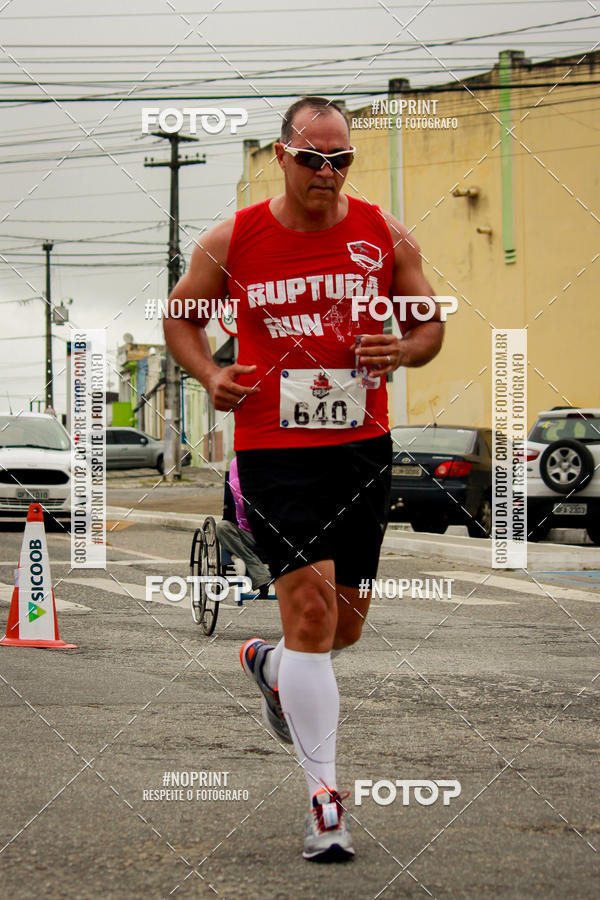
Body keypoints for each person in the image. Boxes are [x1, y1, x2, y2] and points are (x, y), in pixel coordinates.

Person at [163, 95, 443, 862]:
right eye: (313, 158)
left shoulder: (383, 233)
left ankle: (271, 664)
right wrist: (207, 371)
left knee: (342, 626)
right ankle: (325, 802)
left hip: (362, 448)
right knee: (313, 615)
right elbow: (182, 316)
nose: (327, 172)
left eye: (341, 159)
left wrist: (406, 350)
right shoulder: (236, 239)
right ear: (283, 157)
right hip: (273, 449)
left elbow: (428, 323)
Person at [215, 455, 272, 599]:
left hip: (276, 536)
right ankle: (260, 574)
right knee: (222, 527)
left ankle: (247, 563)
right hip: (248, 533)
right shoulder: (237, 464)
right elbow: (242, 498)